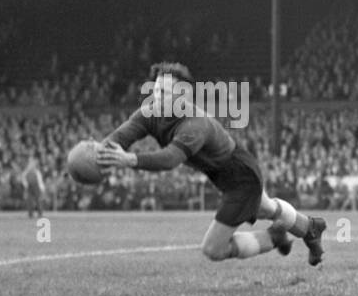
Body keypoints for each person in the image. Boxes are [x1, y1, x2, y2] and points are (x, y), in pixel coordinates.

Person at [95, 62, 325, 264]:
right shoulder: (149, 113)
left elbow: (170, 159)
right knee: (268, 209)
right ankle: (311, 227)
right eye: (155, 90)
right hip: (227, 175)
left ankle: (275, 237)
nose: (157, 96)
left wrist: (130, 160)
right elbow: (120, 137)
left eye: (164, 91)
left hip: (240, 177)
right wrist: (99, 152)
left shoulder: (195, 123)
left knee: (213, 249)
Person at [21, 153, 46, 218]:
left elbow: (40, 181)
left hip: (36, 187)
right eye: (30, 162)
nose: (31, 164)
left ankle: (40, 213)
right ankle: (30, 214)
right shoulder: (26, 172)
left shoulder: (37, 172)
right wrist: (26, 185)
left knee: (38, 201)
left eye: (32, 163)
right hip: (29, 187)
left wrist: (42, 188)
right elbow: (23, 178)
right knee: (30, 200)